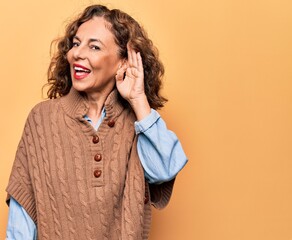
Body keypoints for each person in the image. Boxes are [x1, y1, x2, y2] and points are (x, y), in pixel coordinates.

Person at [5, 4, 187, 240]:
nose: (77, 54)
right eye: (76, 43)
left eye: (94, 46)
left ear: (123, 62)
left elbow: (165, 170)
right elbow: (22, 219)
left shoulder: (137, 122)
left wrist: (138, 100)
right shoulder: (42, 120)